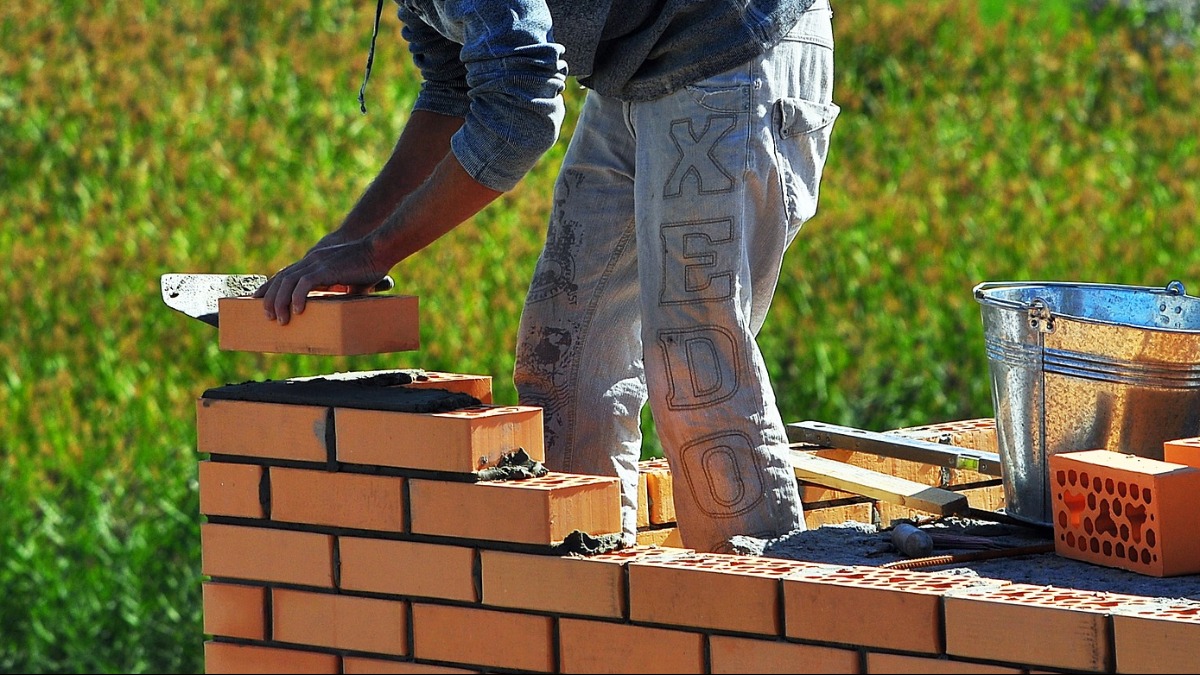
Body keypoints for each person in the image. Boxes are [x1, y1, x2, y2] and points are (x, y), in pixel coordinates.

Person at [255, 0, 840, 553]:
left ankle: (755, 616)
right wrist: (348, 242)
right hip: (634, 67)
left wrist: (378, 250)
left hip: (737, 40)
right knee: (563, 358)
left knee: (692, 360)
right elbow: (453, 93)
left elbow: (521, 107)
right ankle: (593, 605)